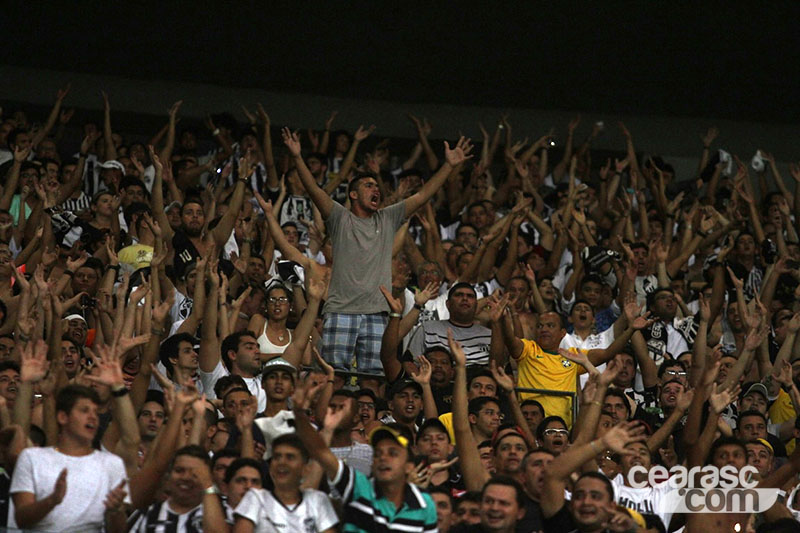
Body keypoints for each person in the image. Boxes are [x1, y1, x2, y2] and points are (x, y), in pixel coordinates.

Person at [280, 128, 473, 372]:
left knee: (374, 379)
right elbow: (315, 191)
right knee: (333, 374)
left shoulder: (387, 217)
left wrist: (448, 165)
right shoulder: (340, 218)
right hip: (341, 311)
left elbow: (424, 195)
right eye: (369, 185)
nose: (376, 190)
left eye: (376, 186)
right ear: (353, 194)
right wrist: (297, 157)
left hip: (378, 314)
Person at [291, 378, 438, 533]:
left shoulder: (424, 503)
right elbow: (321, 452)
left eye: (393, 453)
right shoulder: (359, 487)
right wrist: (300, 412)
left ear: (409, 466)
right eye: (378, 453)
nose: (383, 458)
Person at [11, 384, 128, 532]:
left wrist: (115, 511)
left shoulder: (112, 463)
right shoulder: (32, 458)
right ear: (63, 417)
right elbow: (21, 519)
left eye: (96, 412)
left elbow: (120, 531)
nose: (93, 417)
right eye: (84, 410)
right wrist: (52, 500)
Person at [232, 434, 339, 533]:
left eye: (290, 457)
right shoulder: (255, 498)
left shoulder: (317, 500)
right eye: (277, 457)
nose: (281, 463)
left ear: (306, 469)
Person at [127, 445, 231, 532]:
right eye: (179, 470)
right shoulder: (148, 515)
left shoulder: (224, 513)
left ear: (207, 476)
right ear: (170, 474)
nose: (186, 477)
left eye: (195, 473)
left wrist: (208, 486)